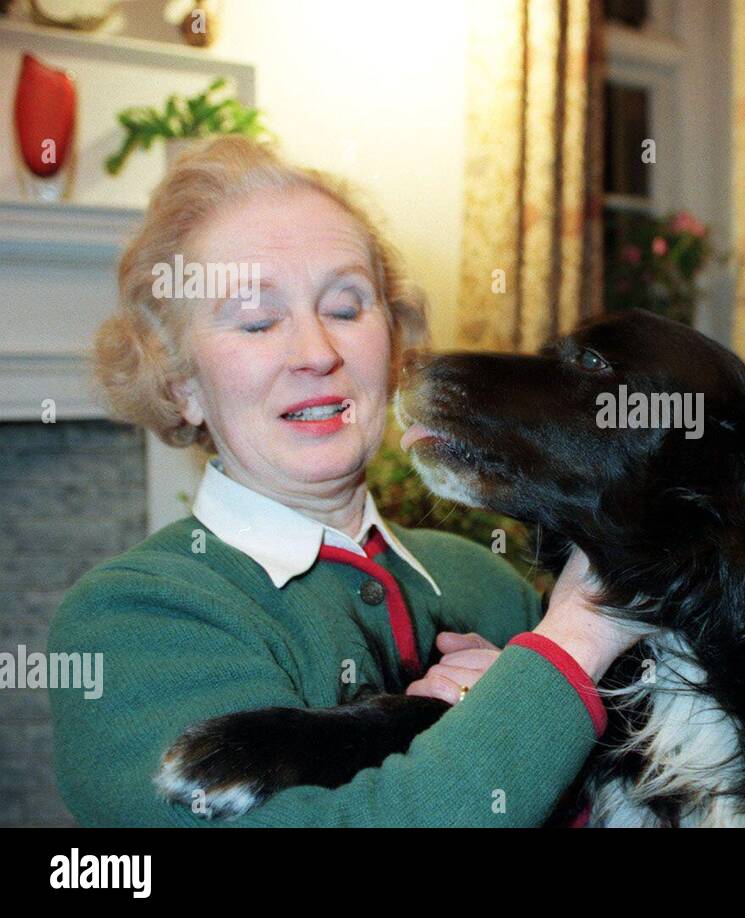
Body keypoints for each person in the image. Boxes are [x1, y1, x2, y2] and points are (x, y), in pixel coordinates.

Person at [47, 137, 638, 827]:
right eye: (258, 321)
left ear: (391, 347)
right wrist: (574, 642)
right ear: (183, 388)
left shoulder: (484, 580)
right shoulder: (132, 618)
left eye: (347, 307)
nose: (317, 353)